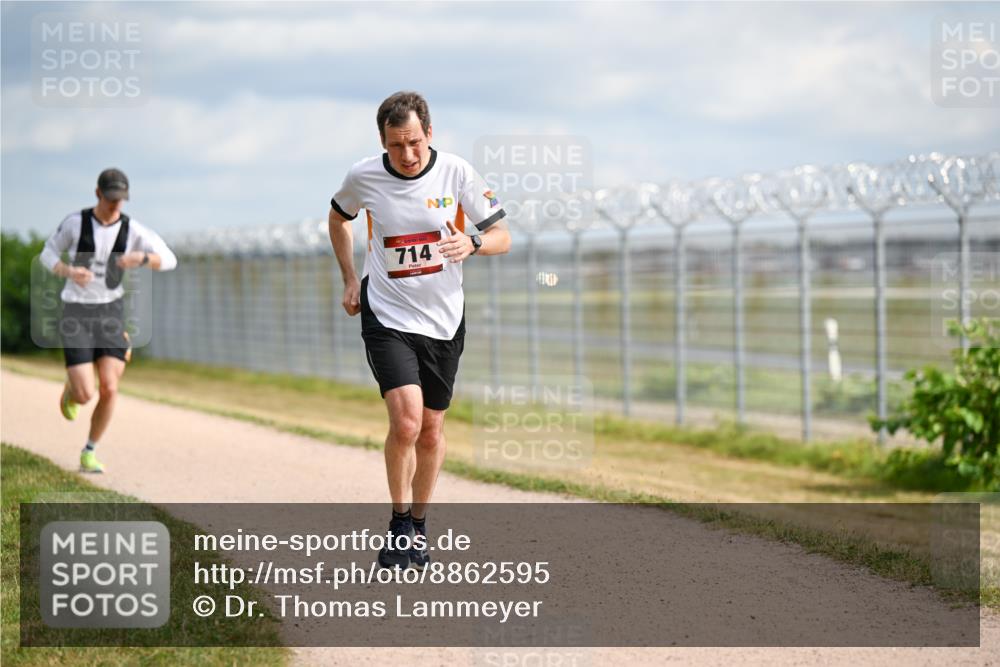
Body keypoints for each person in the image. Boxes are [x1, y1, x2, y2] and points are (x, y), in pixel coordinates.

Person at [328, 91, 511, 568]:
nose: (406, 155)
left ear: (429, 133)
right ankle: (398, 523)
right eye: (394, 146)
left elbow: (502, 237)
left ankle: (420, 526)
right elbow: (338, 217)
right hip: (387, 314)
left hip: (445, 318)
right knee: (406, 422)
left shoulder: (457, 172)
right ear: (382, 143)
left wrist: (472, 243)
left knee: (431, 430)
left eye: (413, 142)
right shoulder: (363, 176)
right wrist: (350, 278)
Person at [40, 167, 177, 473]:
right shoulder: (75, 223)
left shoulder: (134, 230)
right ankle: (72, 391)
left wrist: (140, 259)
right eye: (111, 197)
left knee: (110, 388)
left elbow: (169, 259)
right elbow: (47, 254)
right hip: (76, 311)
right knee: (86, 394)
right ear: (98, 194)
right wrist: (68, 271)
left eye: (122, 199)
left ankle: (89, 451)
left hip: (110, 312)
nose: (116, 204)